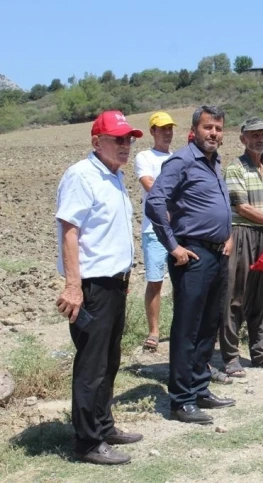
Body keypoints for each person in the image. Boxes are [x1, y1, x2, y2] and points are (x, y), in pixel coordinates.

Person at [55, 110, 143, 465]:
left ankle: (104, 425)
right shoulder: (81, 176)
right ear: (96, 141)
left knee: (108, 361)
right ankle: (87, 442)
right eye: (118, 139)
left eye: (129, 139)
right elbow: (69, 231)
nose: (126, 146)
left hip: (114, 284)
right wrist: (73, 286)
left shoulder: (114, 176)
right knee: (92, 365)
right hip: (91, 287)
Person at [146, 105, 235, 426]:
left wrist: (228, 236)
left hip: (217, 253)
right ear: (195, 130)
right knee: (187, 328)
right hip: (192, 254)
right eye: (208, 127)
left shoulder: (215, 163)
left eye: (219, 128)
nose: (214, 133)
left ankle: (200, 388)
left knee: (208, 324)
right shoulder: (182, 161)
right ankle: (181, 400)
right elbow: (155, 201)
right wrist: (173, 246)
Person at [219, 117, 263, 378]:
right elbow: (241, 206)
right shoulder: (235, 168)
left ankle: (261, 351)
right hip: (242, 234)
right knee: (235, 296)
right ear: (243, 139)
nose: (260, 139)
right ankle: (231, 356)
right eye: (254, 135)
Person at [134, 111, 176, 351]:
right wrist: (171, 207)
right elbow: (150, 185)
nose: (167, 132)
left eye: (169, 128)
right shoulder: (145, 157)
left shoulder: (177, 157)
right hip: (155, 230)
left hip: (179, 229)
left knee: (182, 281)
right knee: (155, 280)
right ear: (152, 131)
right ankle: (154, 331)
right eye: (162, 128)